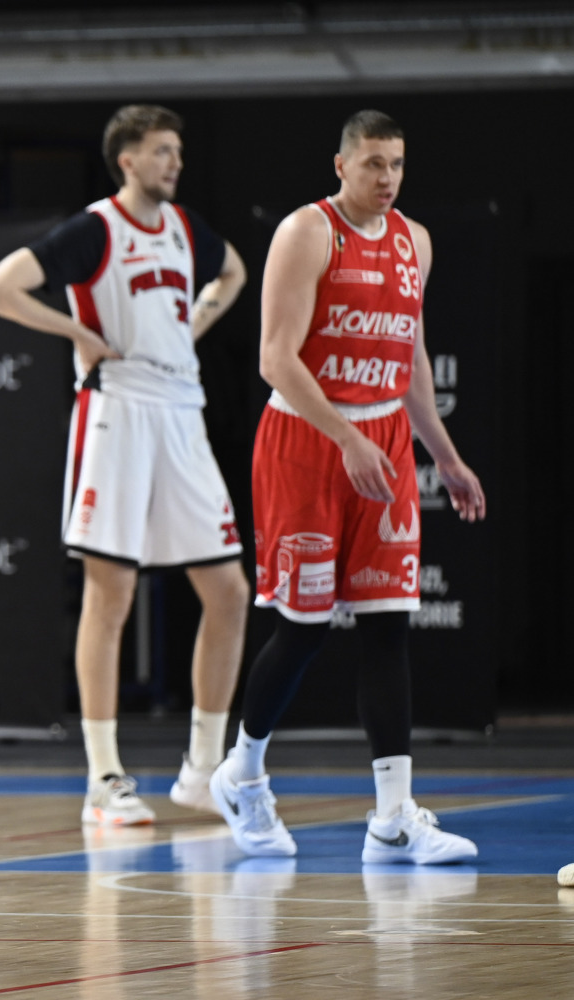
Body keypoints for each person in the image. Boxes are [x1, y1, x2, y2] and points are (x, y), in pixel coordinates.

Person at [209, 110, 485, 863]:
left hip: (383, 438)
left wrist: (445, 458)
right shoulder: (307, 232)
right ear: (340, 165)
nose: (386, 177)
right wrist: (345, 437)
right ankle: (241, 772)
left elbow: (411, 358)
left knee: (388, 623)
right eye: (372, 163)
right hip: (307, 438)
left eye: (396, 164)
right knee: (301, 627)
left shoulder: (414, 241)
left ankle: (392, 819)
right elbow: (275, 358)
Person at [0, 105, 250, 826]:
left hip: (181, 412)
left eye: (177, 150)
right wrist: (76, 332)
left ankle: (202, 771)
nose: (174, 162)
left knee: (228, 591)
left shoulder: (184, 228)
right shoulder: (95, 229)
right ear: (127, 160)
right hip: (117, 411)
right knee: (111, 595)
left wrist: (193, 324)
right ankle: (103, 780)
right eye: (161, 151)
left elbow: (233, 271)